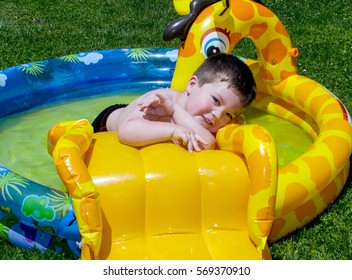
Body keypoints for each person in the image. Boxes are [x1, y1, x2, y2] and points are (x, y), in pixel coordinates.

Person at [92, 53, 256, 152]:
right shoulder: (160, 101)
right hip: (107, 124)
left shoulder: (178, 109)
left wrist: (175, 112)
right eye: (216, 100)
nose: (218, 115)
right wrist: (172, 130)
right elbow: (126, 131)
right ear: (192, 84)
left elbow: (207, 144)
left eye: (229, 114)